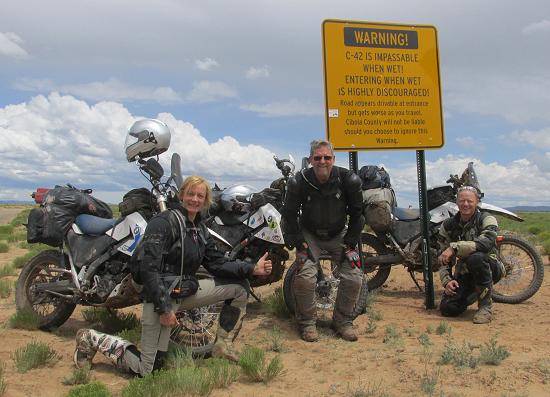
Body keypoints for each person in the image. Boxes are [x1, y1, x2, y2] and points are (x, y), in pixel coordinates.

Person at [73, 176, 272, 376]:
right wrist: (165, 309)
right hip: (158, 297)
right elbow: (149, 269)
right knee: (149, 369)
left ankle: (222, 344)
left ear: (206, 201)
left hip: (182, 291)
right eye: (191, 194)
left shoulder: (199, 229)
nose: (195, 199)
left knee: (239, 288)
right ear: (182, 195)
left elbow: (217, 263)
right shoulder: (163, 222)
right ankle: (92, 338)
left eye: (200, 196)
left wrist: (251, 268)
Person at [281, 139, 364, 342]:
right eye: (317, 158)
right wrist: (299, 243)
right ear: (310, 160)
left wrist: (350, 243)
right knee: (305, 277)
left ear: (334, 159)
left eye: (327, 157)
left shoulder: (349, 180)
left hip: (339, 234)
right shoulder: (298, 181)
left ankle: (343, 321)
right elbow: (289, 215)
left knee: (354, 277)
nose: (322, 161)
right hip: (310, 235)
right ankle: (307, 323)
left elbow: (358, 214)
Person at [437, 185, 505, 324]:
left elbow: (486, 242)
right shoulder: (448, 225)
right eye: (462, 201)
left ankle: (485, 308)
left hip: (490, 267)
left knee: (476, 258)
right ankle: (475, 292)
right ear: (457, 202)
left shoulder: (486, 219)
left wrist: (455, 248)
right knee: (448, 308)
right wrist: (447, 281)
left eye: (469, 201)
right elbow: (442, 256)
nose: (465, 204)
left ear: (477, 202)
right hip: (466, 272)